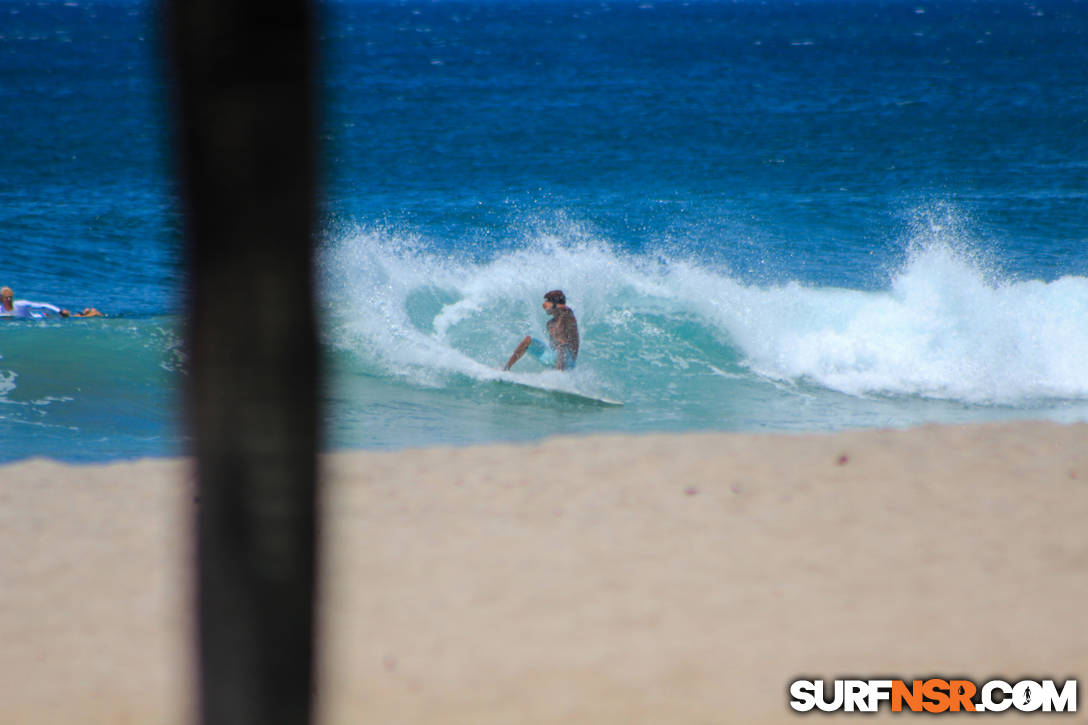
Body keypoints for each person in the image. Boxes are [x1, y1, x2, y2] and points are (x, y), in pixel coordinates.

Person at [504, 289, 579, 371]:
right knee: (528, 340)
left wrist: (554, 304)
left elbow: (565, 308)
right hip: (552, 357)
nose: (544, 306)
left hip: (568, 361)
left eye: (546, 302)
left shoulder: (568, 316)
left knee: (561, 345)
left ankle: (558, 376)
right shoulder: (550, 323)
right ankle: (506, 368)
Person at [0, 286, 103, 319]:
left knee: (69, 318)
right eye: (6, 298)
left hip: (41, 317)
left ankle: (93, 313)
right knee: (71, 317)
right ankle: (86, 312)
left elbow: (43, 305)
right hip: (37, 318)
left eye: (10, 298)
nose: (9, 300)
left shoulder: (20, 304)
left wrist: (59, 311)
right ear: (1, 299)